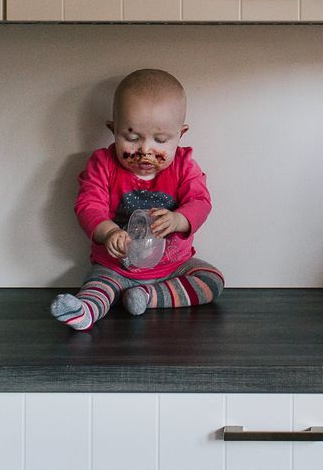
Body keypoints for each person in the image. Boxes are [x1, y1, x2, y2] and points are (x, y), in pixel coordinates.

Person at [51, 69, 223, 331]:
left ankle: (148, 298)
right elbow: (88, 206)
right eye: (131, 138)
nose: (145, 150)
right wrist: (109, 233)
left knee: (212, 280)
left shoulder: (184, 165)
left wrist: (178, 219)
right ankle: (85, 311)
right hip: (117, 267)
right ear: (113, 130)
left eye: (161, 140)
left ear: (180, 134)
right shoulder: (103, 164)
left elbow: (201, 201)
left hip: (173, 267)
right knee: (98, 286)